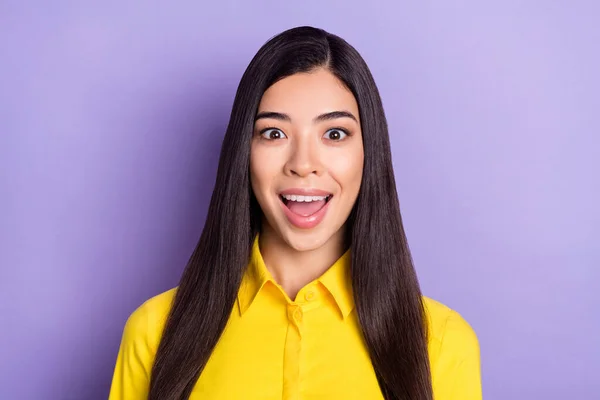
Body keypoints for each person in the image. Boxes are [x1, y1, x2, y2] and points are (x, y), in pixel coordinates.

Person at [108, 26, 482, 400]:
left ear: (370, 153)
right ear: (244, 151)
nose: (303, 164)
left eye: (334, 134)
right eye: (274, 133)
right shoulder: (155, 332)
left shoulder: (442, 343)